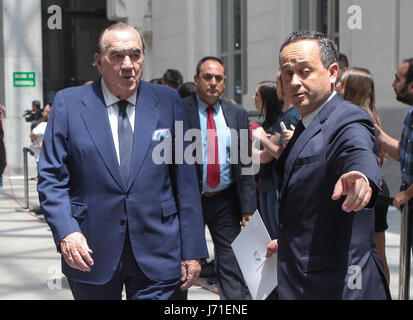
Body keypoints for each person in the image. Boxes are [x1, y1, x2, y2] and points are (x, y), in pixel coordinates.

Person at [37, 22, 208, 300]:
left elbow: (186, 181)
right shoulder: (69, 104)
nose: (128, 65)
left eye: (135, 55)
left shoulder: (168, 101)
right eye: (116, 56)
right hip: (90, 250)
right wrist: (67, 232)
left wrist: (193, 249)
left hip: (160, 250)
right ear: (97, 61)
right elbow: (51, 178)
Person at [265, 30, 390, 299]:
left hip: (340, 287)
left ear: (333, 72)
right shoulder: (304, 121)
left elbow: (356, 149)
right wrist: (287, 244)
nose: (295, 82)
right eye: (288, 74)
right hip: (303, 276)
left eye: (305, 71)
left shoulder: (347, 118)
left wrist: (361, 176)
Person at [182, 56, 256, 300]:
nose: (213, 83)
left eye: (218, 78)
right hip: (189, 201)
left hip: (225, 201)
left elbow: (244, 162)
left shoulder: (237, 114)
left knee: (231, 264)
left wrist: (248, 207)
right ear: (196, 80)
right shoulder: (180, 110)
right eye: (207, 77)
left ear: (224, 82)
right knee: (181, 263)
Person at [337, 67, 390, 283]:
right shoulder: (370, 116)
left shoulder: (357, 119)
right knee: (377, 252)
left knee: (368, 254)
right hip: (374, 186)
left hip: (366, 188)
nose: (337, 86)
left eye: (341, 83)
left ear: (352, 89)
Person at [374, 58, 413, 248]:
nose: (393, 84)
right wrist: (377, 132)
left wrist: (407, 193)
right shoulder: (410, 115)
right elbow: (402, 152)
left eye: (398, 79)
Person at [251, 81, 284, 239]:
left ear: (266, 98)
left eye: (257, 94)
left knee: (274, 235)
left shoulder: (279, 123)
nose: (253, 98)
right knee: (266, 235)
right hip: (262, 185)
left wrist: (253, 151)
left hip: (273, 186)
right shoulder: (265, 124)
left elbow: (265, 157)